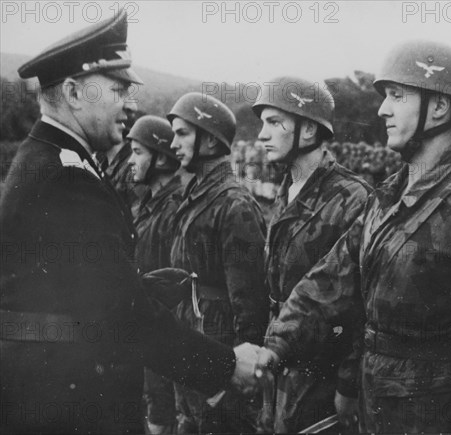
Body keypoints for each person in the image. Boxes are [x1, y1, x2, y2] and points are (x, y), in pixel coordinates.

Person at [0, 11, 259, 434]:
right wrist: (226, 365)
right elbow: (119, 318)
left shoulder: (49, 159)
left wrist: (138, 287)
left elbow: (72, 293)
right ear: (73, 92)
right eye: (118, 90)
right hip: (68, 401)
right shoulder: (68, 176)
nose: (131, 104)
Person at [255, 40, 451, 433]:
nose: (383, 109)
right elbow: (329, 281)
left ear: (440, 107)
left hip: (440, 417)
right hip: (378, 407)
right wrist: (274, 348)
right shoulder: (386, 199)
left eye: (397, 95)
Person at [252, 76, 372, 433]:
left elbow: (361, 306)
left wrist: (348, 385)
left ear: (308, 132)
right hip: (282, 365)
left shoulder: (353, 198)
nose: (262, 134)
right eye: (263, 123)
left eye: (274, 123)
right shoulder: (287, 190)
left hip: (323, 376)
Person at [167, 92, 269, 433]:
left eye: (183, 133)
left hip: (220, 350)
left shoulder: (233, 205)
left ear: (210, 140)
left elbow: (250, 303)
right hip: (194, 343)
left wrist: (238, 377)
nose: (173, 143)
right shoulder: (198, 196)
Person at [125, 115, 192, 434]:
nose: (130, 161)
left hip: (165, 347)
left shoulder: (175, 208)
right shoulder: (149, 205)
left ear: (162, 158)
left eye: (138, 152)